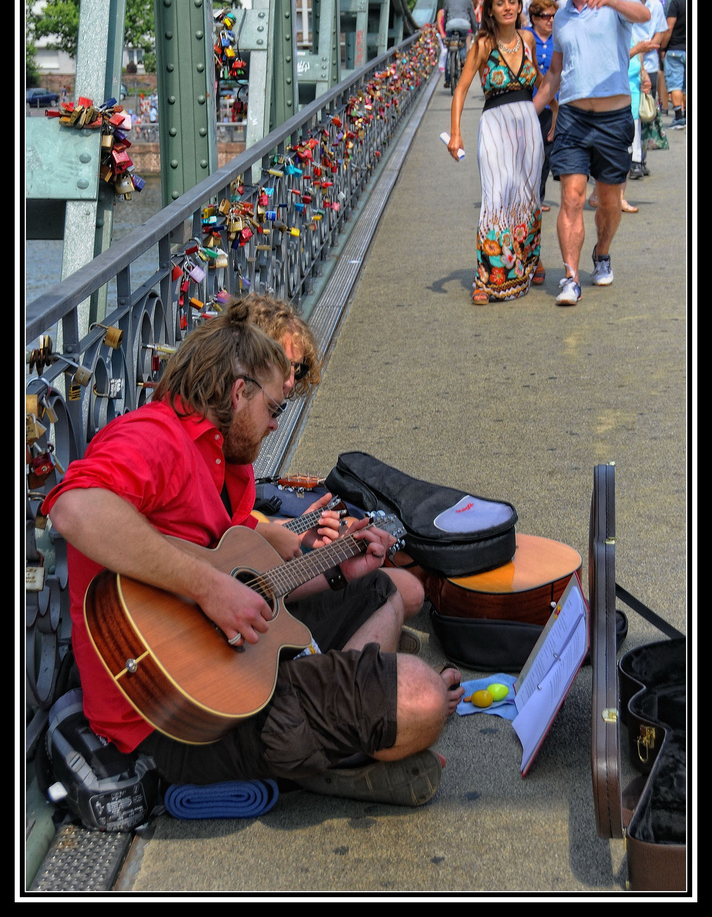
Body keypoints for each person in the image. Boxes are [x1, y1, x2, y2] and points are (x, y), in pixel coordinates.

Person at [42, 300, 461, 806]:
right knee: (423, 697)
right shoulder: (155, 436)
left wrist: (337, 570)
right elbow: (74, 509)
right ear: (239, 392)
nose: (274, 426)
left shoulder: (226, 462)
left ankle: (339, 733)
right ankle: (340, 741)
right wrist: (206, 586)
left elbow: (256, 585)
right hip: (175, 718)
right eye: (274, 409)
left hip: (233, 673)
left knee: (376, 587)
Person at [241, 294, 426, 632]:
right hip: (240, 622)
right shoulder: (211, 446)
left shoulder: (238, 459)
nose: (291, 382)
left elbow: (241, 543)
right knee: (400, 592)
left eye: (297, 369)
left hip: (257, 595)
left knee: (404, 590)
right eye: (286, 366)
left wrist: (297, 533)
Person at [531, 0, 650, 306]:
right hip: (573, 119)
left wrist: (610, 0)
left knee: (609, 202)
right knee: (570, 197)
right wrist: (526, 113)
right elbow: (554, 72)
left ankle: (602, 253)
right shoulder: (562, 13)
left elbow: (644, 17)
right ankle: (569, 277)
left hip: (614, 120)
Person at [448, 0, 551, 303]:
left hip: (528, 126)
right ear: (490, 10)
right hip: (494, 125)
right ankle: (488, 279)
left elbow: (538, 79)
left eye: (512, 2)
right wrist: (456, 133)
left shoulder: (528, 40)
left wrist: (557, 111)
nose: (507, 7)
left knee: (526, 195)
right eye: (500, 3)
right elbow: (461, 90)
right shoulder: (482, 45)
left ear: (520, 6)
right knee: (495, 197)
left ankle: (529, 259)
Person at [627, 0, 668, 178]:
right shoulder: (625, 3)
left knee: (645, 112)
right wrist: (638, 51)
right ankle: (629, 157)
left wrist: (651, 45)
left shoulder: (656, 5)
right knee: (628, 111)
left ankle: (639, 160)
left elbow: (661, 32)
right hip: (629, 63)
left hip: (650, 63)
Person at [528, 0, 560, 213]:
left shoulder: (559, 40)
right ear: (534, 17)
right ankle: (525, 196)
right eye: (545, 16)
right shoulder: (525, 37)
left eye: (553, 16)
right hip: (526, 104)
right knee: (527, 151)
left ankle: (538, 197)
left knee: (546, 153)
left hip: (551, 106)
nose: (550, 20)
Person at [660, 0, 686, 128]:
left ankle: (678, 116)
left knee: (675, 84)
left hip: (675, 49)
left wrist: (663, 47)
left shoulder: (675, 4)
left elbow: (669, 28)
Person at [442, 0, 476, 88]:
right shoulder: (467, 0)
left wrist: (445, 28)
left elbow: (445, 15)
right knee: (463, 43)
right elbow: (472, 16)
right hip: (464, 24)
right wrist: (474, 30)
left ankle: (448, 79)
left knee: (450, 49)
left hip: (450, 24)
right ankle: (462, 59)